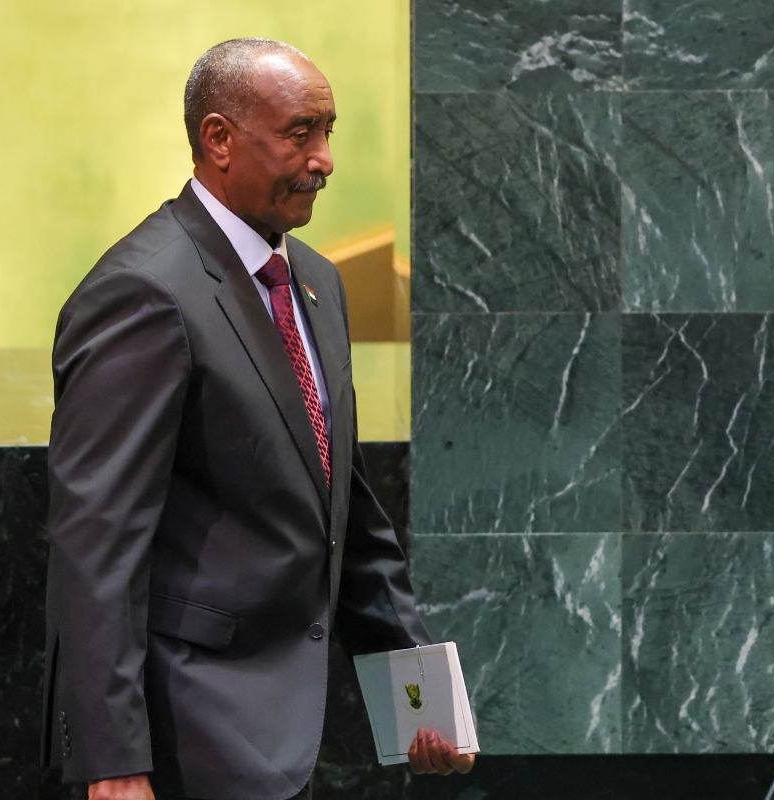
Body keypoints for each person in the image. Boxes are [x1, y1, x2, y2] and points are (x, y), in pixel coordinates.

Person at [42, 38, 475, 800]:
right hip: (189, 740)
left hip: (288, 743)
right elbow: (97, 546)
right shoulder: (142, 294)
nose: (325, 159)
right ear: (219, 139)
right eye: (300, 133)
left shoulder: (315, 282)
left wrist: (424, 705)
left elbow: (347, 515)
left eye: (328, 132)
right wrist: (112, 764)